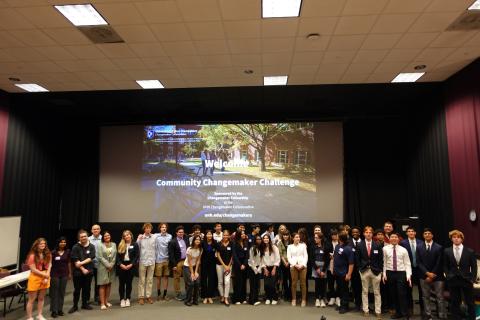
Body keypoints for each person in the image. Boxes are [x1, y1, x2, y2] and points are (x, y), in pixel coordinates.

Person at [443, 229, 477, 320]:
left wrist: (472, 279)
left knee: (470, 302)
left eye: (458, 237)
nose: (456, 239)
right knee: (454, 302)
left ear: (462, 239)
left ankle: (472, 318)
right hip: (453, 280)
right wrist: (448, 275)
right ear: (451, 239)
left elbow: (474, 267)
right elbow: (445, 266)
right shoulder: (447, 251)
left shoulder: (470, 251)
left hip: (466, 280)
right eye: (454, 237)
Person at [416, 228, 446, 320]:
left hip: (437, 276)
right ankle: (428, 315)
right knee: (425, 297)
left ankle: (441, 315)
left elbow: (439, 262)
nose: (427, 235)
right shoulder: (419, 247)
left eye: (429, 233)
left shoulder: (439, 247)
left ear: (432, 235)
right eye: (425, 233)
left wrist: (432, 274)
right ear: (423, 235)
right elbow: (418, 262)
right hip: (424, 276)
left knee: (440, 297)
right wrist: (427, 273)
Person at [383, 232, 412, 320]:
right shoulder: (385, 249)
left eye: (396, 237)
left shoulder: (403, 249)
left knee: (402, 293)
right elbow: (383, 262)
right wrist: (384, 274)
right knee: (393, 294)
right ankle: (398, 313)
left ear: (398, 239)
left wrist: (408, 275)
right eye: (392, 237)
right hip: (390, 273)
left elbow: (407, 263)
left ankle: (405, 313)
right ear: (390, 239)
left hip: (401, 273)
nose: (394, 238)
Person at [356, 226, 383, 318]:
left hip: (376, 271)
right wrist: (360, 268)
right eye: (366, 232)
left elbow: (380, 259)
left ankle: (378, 311)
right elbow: (357, 258)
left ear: (372, 234)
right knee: (365, 291)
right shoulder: (359, 244)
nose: (368, 234)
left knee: (377, 292)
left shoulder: (378, 244)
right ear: (364, 234)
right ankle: (365, 310)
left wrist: (380, 270)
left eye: (370, 232)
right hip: (364, 271)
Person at [69, 229, 95, 313]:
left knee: (86, 289)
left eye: (85, 236)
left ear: (87, 237)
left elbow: (91, 257)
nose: (83, 238)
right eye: (81, 237)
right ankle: (75, 306)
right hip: (78, 273)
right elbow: (75, 260)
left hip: (89, 271)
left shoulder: (91, 246)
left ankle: (84, 304)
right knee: (77, 290)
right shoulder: (75, 247)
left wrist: (81, 263)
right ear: (79, 238)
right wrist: (82, 268)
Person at [26, 238, 52, 320]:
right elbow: (33, 269)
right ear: (36, 245)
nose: (43, 245)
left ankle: (39, 315)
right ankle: (29, 317)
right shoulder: (32, 255)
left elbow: (50, 264)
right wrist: (45, 275)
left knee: (41, 298)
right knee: (32, 299)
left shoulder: (48, 254)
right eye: (41, 244)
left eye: (44, 243)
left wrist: (47, 275)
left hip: (45, 276)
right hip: (35, 277)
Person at [400, 226, 423, 315]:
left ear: (415, 233)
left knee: (421, 291)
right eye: (409, 231)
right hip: (408, 270)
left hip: (419, 269)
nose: (410, 233)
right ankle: (410, 309)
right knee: (408, 290)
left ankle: (423, 309)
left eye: (412, 231)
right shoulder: (402, 243)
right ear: (406, 233)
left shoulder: (420, 242)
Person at [332, 232, 354, 314]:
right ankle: (341, 304)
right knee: (340, 290)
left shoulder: (349, 248)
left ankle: (345, 306)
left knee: (345, 290)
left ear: (340, 238)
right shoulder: (337, 246)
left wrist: (349, 274)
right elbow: (336, 258)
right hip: (337, 273)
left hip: (344, 273)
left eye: (337, 236)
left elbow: (351, 263)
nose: (336, 237)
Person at [116, 230, 139, 308]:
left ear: (131, 235)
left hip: (131, 265)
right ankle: (122, 299)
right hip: (122, 266)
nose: (127, 236)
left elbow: (137, 256)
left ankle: (128, 298)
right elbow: (118, 257)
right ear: (123, 237)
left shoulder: (135, 244)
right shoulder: (121, 244)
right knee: (121, 284)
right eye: (125, 235)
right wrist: (120, 264)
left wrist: (131, 264)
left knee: (129, 283)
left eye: (128, 235)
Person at [50, 237, 71, 318]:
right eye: (61, 242)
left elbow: (69, 263)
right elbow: (50, 264)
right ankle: (53, 311)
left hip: (64, 274)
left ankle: (60, 309)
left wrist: (70, 273)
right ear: (58, 243)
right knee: (54, 293)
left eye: (64, 242)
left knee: (62, 292)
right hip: (55, 274)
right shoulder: (53, 252)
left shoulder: (68, 251)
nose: (63, 243)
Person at [168, 225, 190, 301]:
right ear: (176, 233)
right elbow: (171, 255)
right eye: (179, 232)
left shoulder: (186, 239)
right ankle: (178, 293)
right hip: (177, 262)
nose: (181, 233)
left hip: (186, 261)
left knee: (187, 277)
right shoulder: (172, 242)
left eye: (182, 232)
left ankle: (188, 292)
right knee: (177, 278)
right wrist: (174, 265)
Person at [137, 223, 156, 305]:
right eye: (146, 228)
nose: (148, 229)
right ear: (144, 229)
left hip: (152, 261)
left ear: (151, 229)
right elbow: (136, 248)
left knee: (150, 280)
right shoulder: (140, 238)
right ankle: (141, 297)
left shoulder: (154, 237)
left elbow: (157, 248)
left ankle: (148, 296)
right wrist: (138, 238)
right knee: (142, 280)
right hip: (143, 261)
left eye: (149, 228)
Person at [96, 231, 116, 310]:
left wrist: (111, 265)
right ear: (103, 237)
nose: (107, 237)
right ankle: (102, 303)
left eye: (108, 235)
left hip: (111, 267)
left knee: (109, 284)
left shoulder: (114, 244)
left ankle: (106, 301)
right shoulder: (100, 245)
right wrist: (108, 265)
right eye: (105, 236)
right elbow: (100, 257)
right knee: (102, 284)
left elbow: (115, 256)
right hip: (103, 267)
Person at [287, 232, 308, 307]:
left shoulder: (303, 246)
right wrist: (295, 265)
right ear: (293, 238)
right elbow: (289, 257)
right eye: (296, 237)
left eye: (298, 237)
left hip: (303, 266)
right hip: (293, 266)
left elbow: (306, 256)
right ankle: (294, 299)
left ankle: (303, 300)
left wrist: (303, 265)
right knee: (294, 283)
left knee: (303, 283)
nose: (298, 238)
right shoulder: (289, 246)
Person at [260, 234, 280, 305]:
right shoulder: (262, 248)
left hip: (274, 267)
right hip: (266, 268)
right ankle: (268, 297)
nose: (266, 239)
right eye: (264, 238)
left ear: (269, 239)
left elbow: (277, 258)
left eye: (267, 238)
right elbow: (261, 259)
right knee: (266, 284)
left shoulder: (274, 247)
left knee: (272, 284)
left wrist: (274, 268)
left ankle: (274, 298)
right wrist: (264, 268)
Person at [310, 232, 328, 308]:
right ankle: (317, 299)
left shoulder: (325, 247)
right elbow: (312, 259)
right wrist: (317, 269)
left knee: (323, 284)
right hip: (316, 267)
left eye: (316, 238)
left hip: (323, 267)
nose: (315, 239)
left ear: (320, 239)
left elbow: (327, 260)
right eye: (315, 237)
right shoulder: (313, 247)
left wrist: (323, 271)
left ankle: (322, 299)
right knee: (317, 284)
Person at [154, 223, 172, 301]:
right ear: (160, 228)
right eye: (162, 227)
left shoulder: (170, 236)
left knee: (166, 277)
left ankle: (164, 295)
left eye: (165, 227)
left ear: (166, 229)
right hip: (159, 260)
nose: (164, 228)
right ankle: (158, 294)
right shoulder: (156, 236)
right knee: (158, 278)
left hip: (167, 260)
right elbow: (147, 235)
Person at [183, 235, 203, 306]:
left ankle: (195, 300)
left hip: (195, 267)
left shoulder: (200, 249)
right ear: (193, 240)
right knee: (191, 283)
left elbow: (198, 261)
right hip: (187, 267)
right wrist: (192, 273)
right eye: (196, 239)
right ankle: (188, 300)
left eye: (199, 240)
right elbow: (189, 261)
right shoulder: (189, 249)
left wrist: (196, 272)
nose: (197, 241)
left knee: (197, 283)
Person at [216, 229, 233, 306]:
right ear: (222, 235)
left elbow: (233, 255)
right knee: (220, 282)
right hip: (219, 265)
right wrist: (224, 265)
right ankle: (222, 296)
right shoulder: (219, 243)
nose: (225, 236)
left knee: (227, 281)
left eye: (227, 235)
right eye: (224, 235)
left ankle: (226, 298)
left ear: (229, 236)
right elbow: (218, 255)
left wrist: (228, 265)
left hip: (229, 266)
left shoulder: (232, 243)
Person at [232, 230, 249, 304]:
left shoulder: (245, 243)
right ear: (238, 235)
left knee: (244, 282)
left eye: (244, 233)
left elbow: (247, 255)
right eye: (242, 234)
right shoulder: (234, 243)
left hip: (245, 265)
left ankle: (243, 298)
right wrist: (240, 265)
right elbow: (234, 255)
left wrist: (244, 264)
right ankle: (236, 299)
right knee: (238, 282)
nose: (243, 235)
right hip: (237, 265)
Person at [348, 226, 362, 311]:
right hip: (352, 270)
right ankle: (357, 304)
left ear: (359, 233)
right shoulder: (348, 243)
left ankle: (363, 304)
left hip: (362, 269)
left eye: (356, 232)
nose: (355, 234)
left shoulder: (363, 242)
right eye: (353, 232)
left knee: (362, 287)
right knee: (354, 287)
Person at [201, 230, 217, 304]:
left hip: (212, 264)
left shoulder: (215, 242)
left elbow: (219, 250)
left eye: (210, 234)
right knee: (204, 280)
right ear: (205, 235)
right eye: (208, 234)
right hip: (204, 263)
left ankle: (210, 296)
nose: (209, 235)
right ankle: (205, 296)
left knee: (211, 280)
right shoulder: (202, 243)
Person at [88, 224, 102, 305]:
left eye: (97, 229)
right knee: (88, 282)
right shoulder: (88, 239)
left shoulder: (103, 238)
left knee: (98, 283)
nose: (96, 230)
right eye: (94, 229)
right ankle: (86, 299)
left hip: (100, 264)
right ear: (91, 230)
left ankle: (98, 298)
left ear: (100, 230)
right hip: (89, 264)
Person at [248, 235, 263, 306]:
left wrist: (259, 268)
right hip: (252, 269)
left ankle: (256, 299)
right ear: (255, 240)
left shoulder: (261, 248)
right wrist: (255, 269)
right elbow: (251, 260)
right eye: (257, 239)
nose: (259, 240)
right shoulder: (252, 248)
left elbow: (261, 260)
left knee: (257, 284)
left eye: (260, 239)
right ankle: (251, 300)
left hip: (259, 268)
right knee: (253, 285)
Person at [326, 229, 340, 307]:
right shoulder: (328, 243)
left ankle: (338, 297)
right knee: (330, 282)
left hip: (339, 266)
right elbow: (325, 252)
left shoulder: (341, 243)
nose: (334, 236)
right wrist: (329, 256)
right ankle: (332, 297)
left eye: (335, 234)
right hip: (329, 265)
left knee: (338, 282)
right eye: (332, 235)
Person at [277, 230, 291, 301]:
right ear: (282, 236)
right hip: (283, 263)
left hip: (291, 263)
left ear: (289, 235)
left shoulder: (291, 242)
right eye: (284, 235)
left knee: (291, 279)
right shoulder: (280, 243)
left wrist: (289, 262)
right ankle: (286, 295)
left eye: (287, 235)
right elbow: (280, 254)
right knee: (285, 279)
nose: (285, 236)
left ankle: (291, 295)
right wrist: (285, 262)